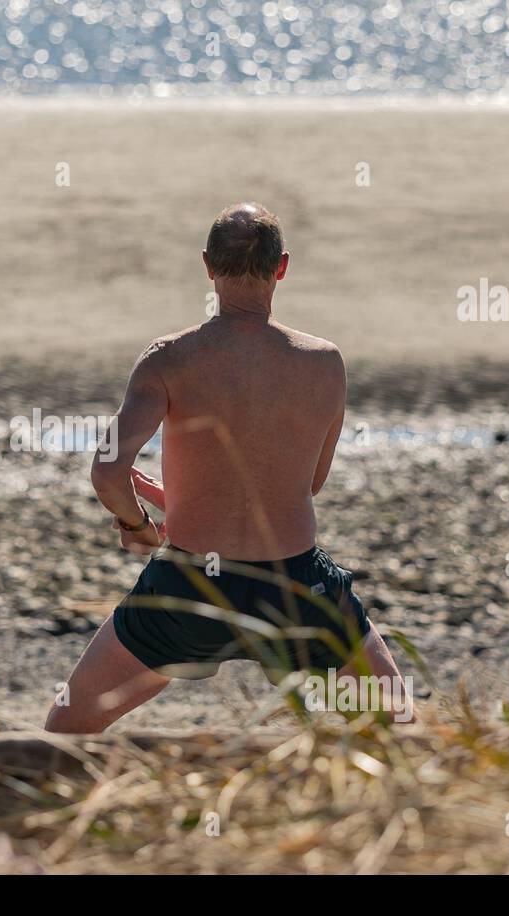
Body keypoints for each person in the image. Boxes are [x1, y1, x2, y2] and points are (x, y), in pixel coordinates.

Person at [45, 203, 416, 733]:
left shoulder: (168, 358)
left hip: (190, 587)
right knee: (399, 732)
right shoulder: (323, 362)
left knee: (66, 732)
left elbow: (108, 473)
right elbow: (306, 485)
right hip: (295, 590)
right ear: (281, 267)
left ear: (207, 265)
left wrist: (140, 524)